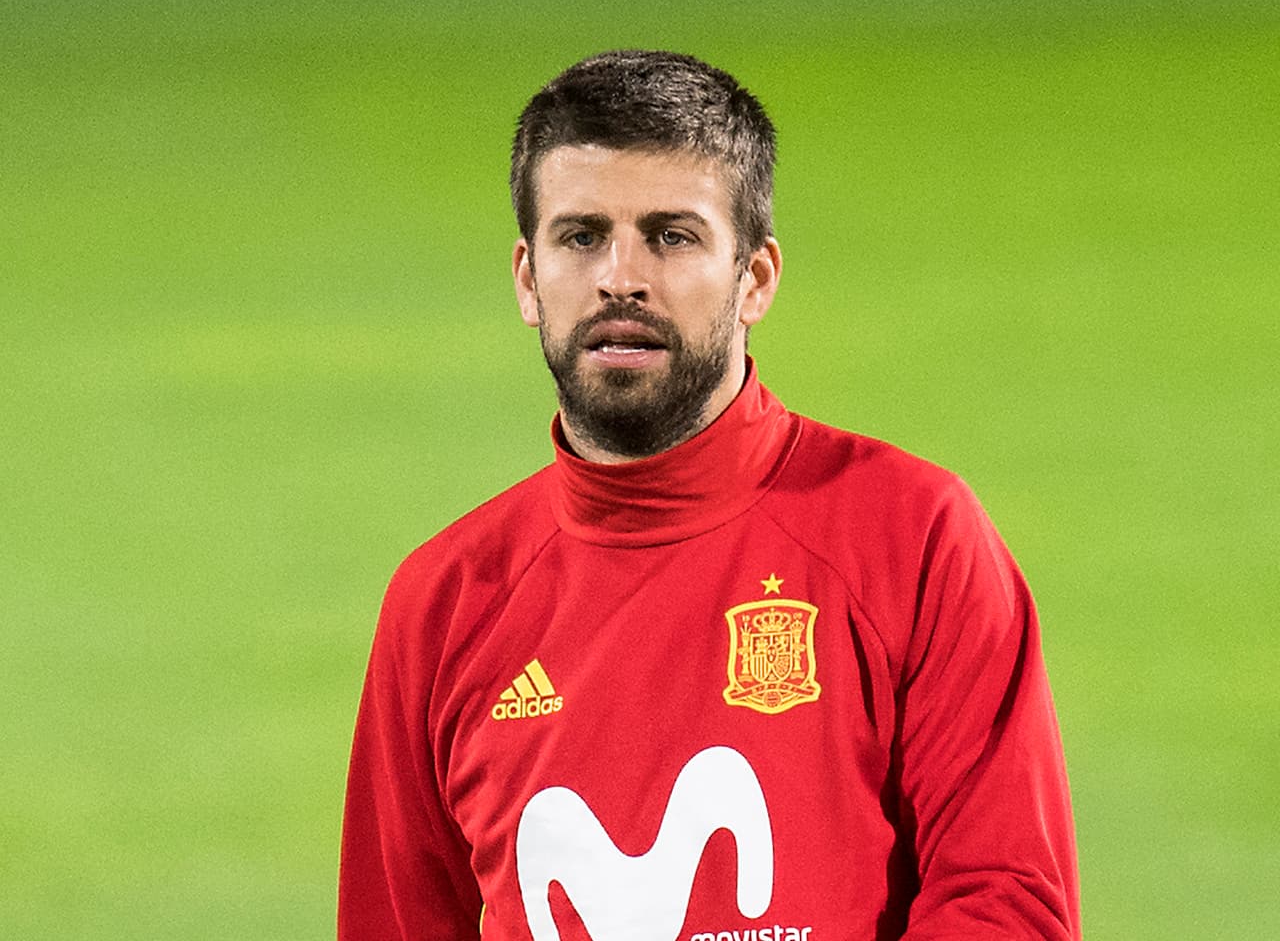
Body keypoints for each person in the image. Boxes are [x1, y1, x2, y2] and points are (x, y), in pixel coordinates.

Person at [338, 50, 1081, 941]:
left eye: (672, 236)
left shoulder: (911, 534)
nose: (621, 277)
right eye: (581, 237)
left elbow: (1006, 903)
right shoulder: (443, 602)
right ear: (529, 281)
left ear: (755, 278)